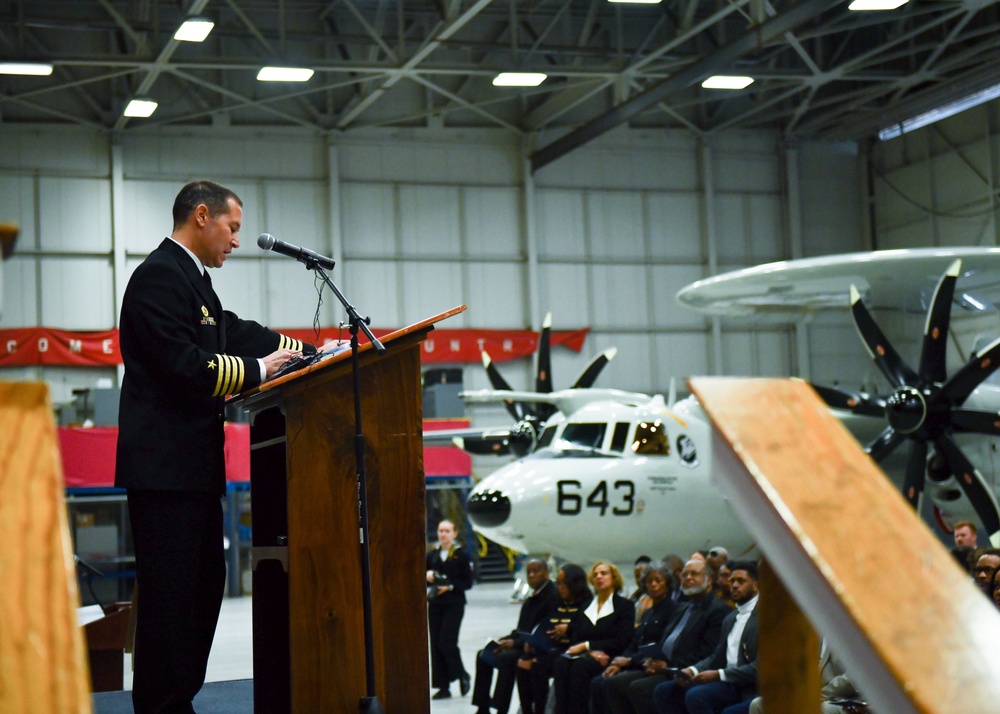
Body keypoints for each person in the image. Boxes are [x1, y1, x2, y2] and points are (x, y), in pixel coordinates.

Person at [115, 179, 316, 714]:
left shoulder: (193, 281)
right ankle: (161, 705)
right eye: (232, 228)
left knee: (200, 593)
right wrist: (257, 371)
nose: (236, 240)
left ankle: (176, 700)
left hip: (192, 472)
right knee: (170, 600)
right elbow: (183, 365)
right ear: (202, 216)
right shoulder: (159, 276)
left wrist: (307, 352)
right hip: (164, 474)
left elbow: (230, 330)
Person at [602, 558, 731, 714]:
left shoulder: (717, 610)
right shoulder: (683, 608)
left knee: (638, 688)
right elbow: (665, 641)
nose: (689, 578)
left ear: (709, 579)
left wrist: (667, 666)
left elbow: (707, 653)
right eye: (685, 575)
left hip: (686, 670)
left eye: (694, 574)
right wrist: (653, 661)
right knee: (612, 683)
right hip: (665, 666)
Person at [652, 561, 760, 714]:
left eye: (741, 581)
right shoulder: (731, 618)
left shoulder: (764, 617)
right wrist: (693, 669)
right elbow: (717, 656)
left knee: (697, 696)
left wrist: (719, 674)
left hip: (747, 684)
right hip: (727, 681)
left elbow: (759, 668)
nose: (735, 585)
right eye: (732, 581)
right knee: (665, 691)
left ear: (756, 585)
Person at [471, 558, 559, 714]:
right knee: (483, 654)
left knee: (507, 659)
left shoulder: (552, 597)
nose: (532, 575)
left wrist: (515, 643)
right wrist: (505, 640)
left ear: (546, 573)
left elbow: (542, 632)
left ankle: (501, 708)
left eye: (536, 571)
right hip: (521, 641)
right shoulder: (531, 599)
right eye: (529, 572)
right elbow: (521, 628)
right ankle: (482, 706)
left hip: (534, 647)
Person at [592, 562, 676, 714]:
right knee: (599, 682)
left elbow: (662, 645)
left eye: (658, 580)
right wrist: (619, 662)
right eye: (649, 581)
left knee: (614, 684)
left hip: (653, 664)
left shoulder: (673, 610)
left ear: (667, 584)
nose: (653, 585)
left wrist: (630, 660)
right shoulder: (647, 613)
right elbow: (635, 642)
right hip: (638, 662)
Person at [553, 561, 635, 714]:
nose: (599, 577)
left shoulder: (624, 606)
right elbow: (576, 635)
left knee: (581, 667)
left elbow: (622, 640)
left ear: (614, 578)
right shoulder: (586, 607)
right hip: (588, 655)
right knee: (561, 663)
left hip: (611, 655)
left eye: (604, 573)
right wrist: (590, 651)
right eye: (596, 574)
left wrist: (587, 646)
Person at [516, 563, 593, 714]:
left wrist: (568, 630)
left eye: (565, 583)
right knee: (522, 663)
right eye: (559, 583)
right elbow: (546, 626)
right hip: (552, 647)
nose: (561, 587)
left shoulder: (586, 604)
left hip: (571, 649)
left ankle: (541, 709)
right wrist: (534, 643)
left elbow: (584, 632)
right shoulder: (556, 603)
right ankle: (526, 709)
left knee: (538, 665)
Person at [427, 518, 474, 699]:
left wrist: (451, 586)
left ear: (454, 533)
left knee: (446, 642)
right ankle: (443, 686)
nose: (443, 534)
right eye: (440, 530)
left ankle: (462, 674)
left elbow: (468, 582)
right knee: (435, 644)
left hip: (454, 604)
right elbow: (422, 575)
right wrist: (428, 575)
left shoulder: (462, 555)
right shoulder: (432, 555)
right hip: (436, 604)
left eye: (447, 531)